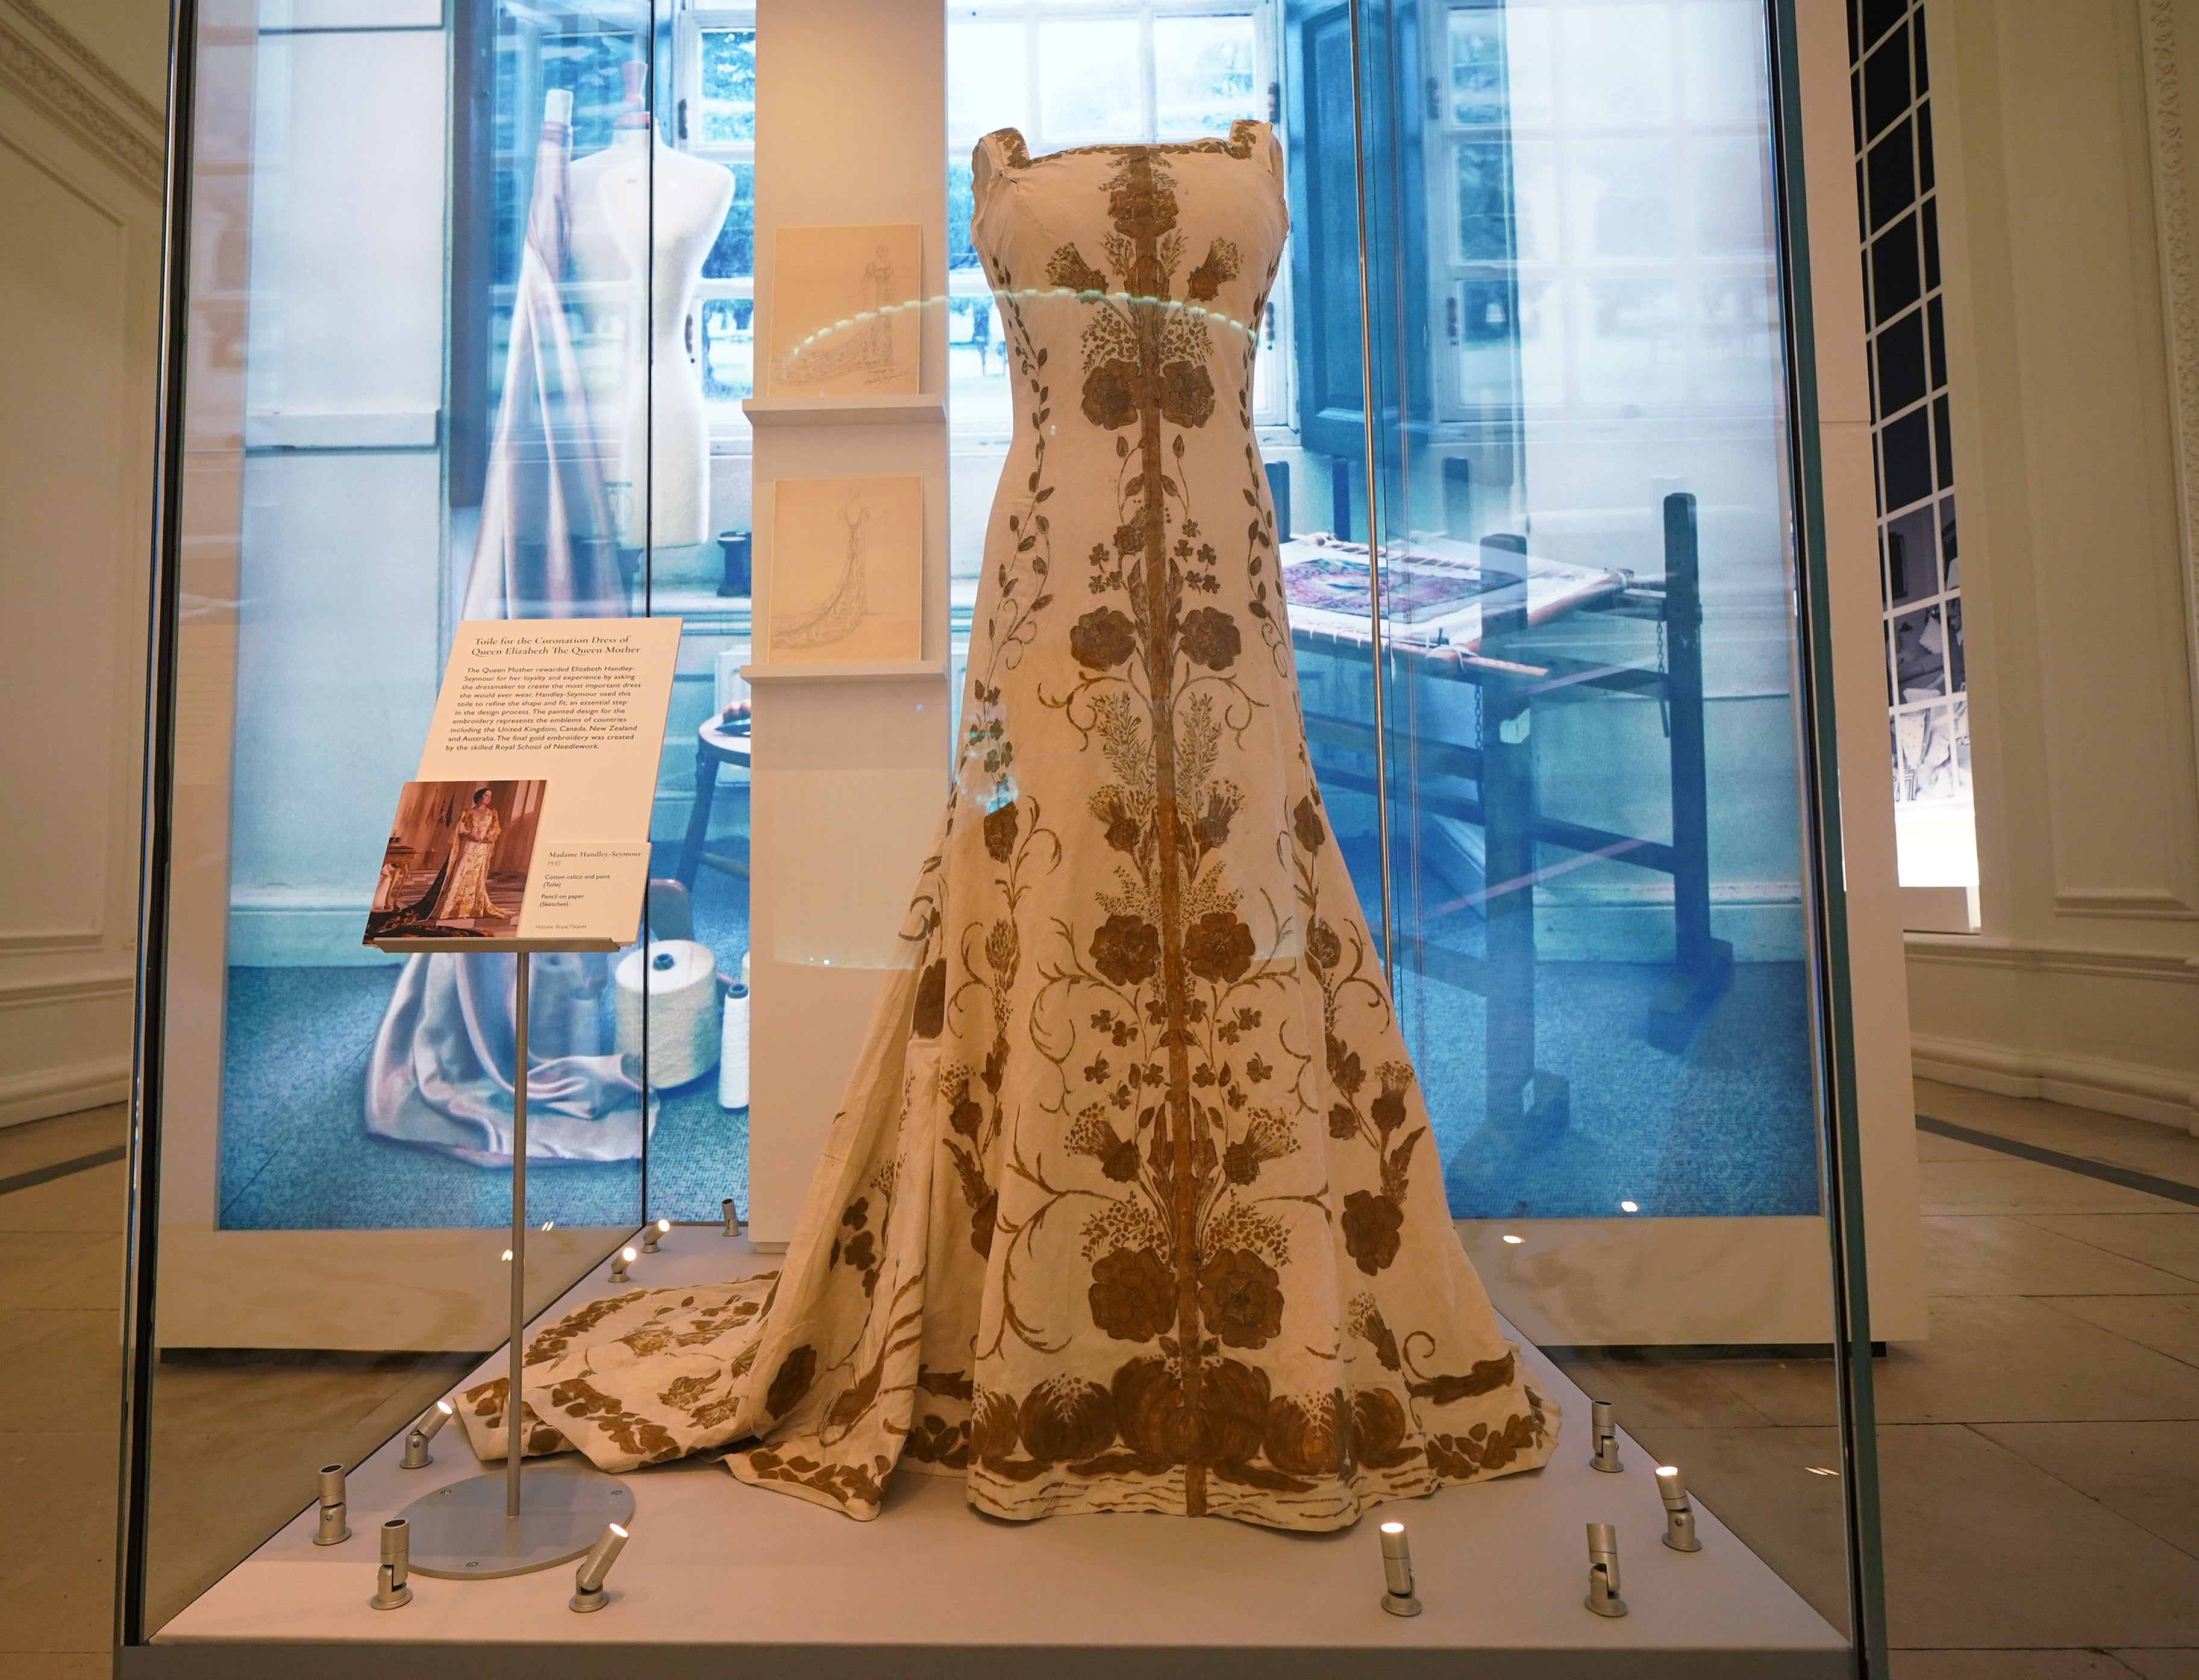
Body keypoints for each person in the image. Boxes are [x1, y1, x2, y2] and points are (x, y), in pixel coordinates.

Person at [432, 788, 502, 923]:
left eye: (490, 796)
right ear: (479, 797)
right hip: (469, 846)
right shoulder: (468, 812)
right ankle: (451, 908)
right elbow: (460, 828)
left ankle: (472, 908)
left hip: (482, 848)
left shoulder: (492, 813)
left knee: (476, 875)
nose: (488, 798)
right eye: (486, 795)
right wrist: (470, 834)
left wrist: (489, 835)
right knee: (461, 871)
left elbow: (495, 828)